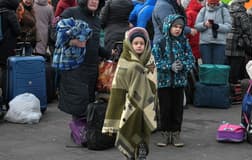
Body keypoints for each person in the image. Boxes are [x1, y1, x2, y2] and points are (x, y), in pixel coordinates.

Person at [102, 27, 157, 160]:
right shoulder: (124, 60)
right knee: (130, 127)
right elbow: (118, 86)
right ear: (130, 44)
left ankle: (142, 148)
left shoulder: (150, 60)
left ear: (146, 44)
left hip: (146, 101)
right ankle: (130, 152)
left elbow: (154, 82)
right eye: (136, 43)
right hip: (129, 102)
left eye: (142, 43)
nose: (139, 46)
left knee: (143, 128)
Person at [56, 0, 109, 119]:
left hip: (91, 70)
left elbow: (94, 45)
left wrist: (109, 54)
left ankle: (82, 132)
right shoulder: (71, 13)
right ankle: (78, 131)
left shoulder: (97, 20)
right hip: (75, 68)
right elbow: (54, 35)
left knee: (88, 104)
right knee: (78, 104)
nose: (94, 1)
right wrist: (72, 41)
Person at [152, 14, 195, 147]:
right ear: (168, 26)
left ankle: (176, 133)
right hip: (164, 83)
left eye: (180, 27)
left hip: (179, 83)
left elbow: (191, 59)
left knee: (177, 109)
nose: (178, 29)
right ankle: (165, 134)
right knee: (165, 109)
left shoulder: (183, 42)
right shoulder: (160, 43)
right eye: (175, 26)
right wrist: (168, 66)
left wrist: (183, 66)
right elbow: (154, 62)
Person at [194, 0, 232, 64]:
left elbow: (228, 27)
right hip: (205, 44)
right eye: (211, 3)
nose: (212, 5)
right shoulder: (203, 10)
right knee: (207, 67)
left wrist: (217, 26)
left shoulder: (224, 10)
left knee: (218, 67)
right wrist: (204, 25)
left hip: (220, 44)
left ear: (218, 2)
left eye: (214, 3)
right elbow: (197, 26)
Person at [0, 0, 21, 106]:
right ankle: (5, 97)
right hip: (6, 47)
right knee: (5, 70)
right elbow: (17, 30)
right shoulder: (9, 13)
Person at [225, 0, 252, 84]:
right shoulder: (242, 13)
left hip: (227, 40)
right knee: (236, 66)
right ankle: (234, 88)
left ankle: (227, 85)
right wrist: (250, 38)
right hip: (237, 41)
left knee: (227, 65)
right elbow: (246, 29)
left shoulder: (228, 11)